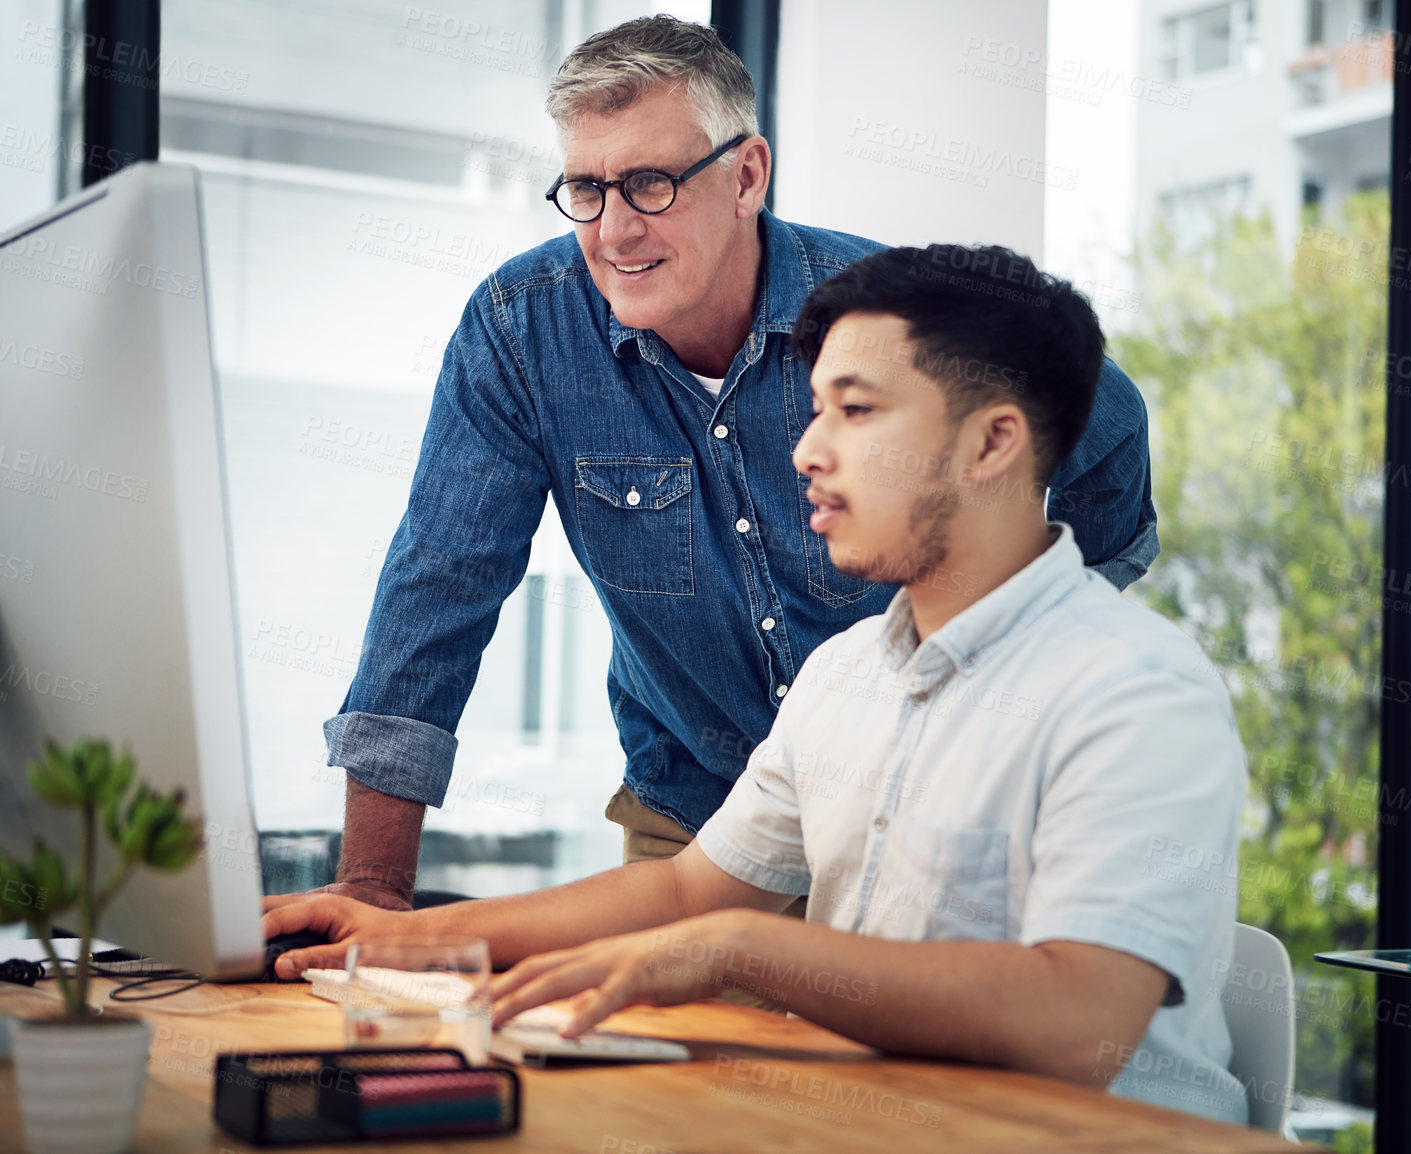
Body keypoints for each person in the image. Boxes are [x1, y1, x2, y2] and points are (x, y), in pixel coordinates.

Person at [264, 242, 1248, 1125]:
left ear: (992, 444)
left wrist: (741, 947)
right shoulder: (847, 676)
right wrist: (404, 933)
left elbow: (1080, 1023)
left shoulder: (1135, 689)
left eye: (855, 411)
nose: (808, 452)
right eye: (816, 408)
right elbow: (688, 885)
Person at [308, 15, 1161, 910]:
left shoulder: (889, 321)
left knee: (882, 1038)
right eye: (586, 189)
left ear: (747, 173)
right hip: (695, 829)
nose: (615, 231)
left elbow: (1109, 425)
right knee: (650, 1045)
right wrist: (371, 895)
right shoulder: (523, 330)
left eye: (649, 184)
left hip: (912, 823)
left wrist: (1041, 636)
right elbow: (438, 587)